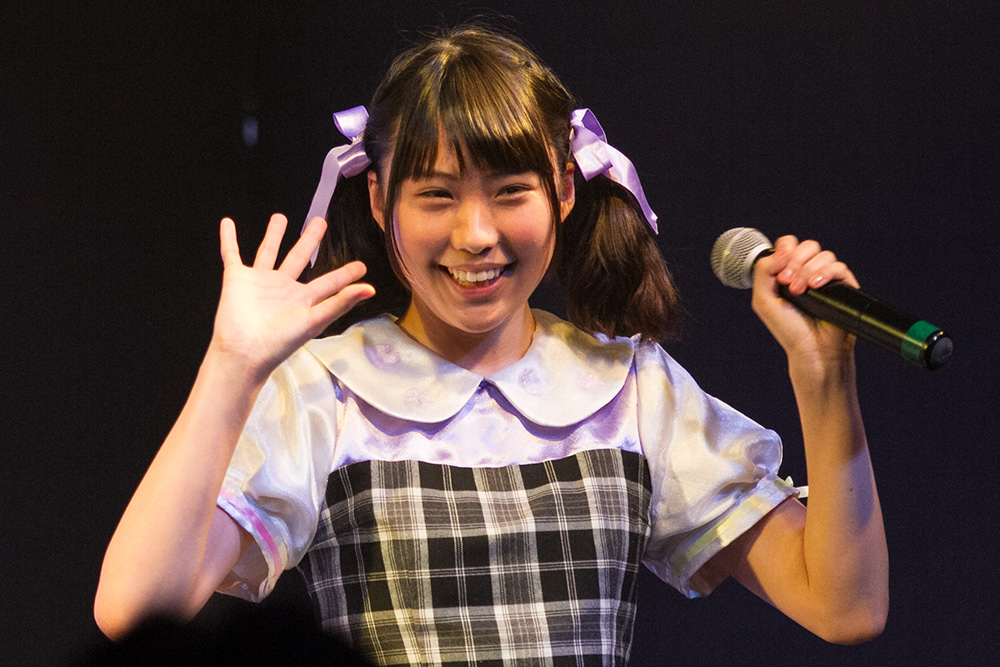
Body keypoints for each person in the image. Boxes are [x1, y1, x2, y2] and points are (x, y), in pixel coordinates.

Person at [95, 25, 888, 664]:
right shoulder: (325, 390)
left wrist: (825, 378)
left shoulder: (629, 387)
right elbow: (132, 612)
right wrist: (231, 368)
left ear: (564, 189)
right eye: (436, 195)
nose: (475, 234)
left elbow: (844, 606)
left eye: (510, 191)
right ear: (379, 197)